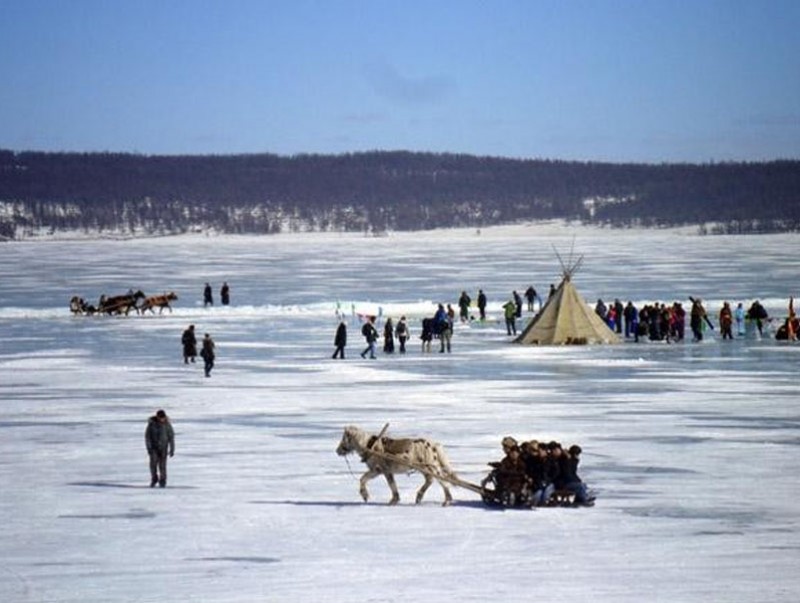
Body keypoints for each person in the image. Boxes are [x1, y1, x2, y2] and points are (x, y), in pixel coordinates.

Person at [145, 409, 175, 488]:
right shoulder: (151, 424)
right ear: (157, 417)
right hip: (154, 448)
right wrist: (149, 448)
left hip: (163, 448)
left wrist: (172, 449)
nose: (162, 419)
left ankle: (163, 480)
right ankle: (154, 478)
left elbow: (171, 437)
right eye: (160, 417)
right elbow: (147, 437)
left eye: (163, 417)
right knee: (153, 465)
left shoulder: (167, 425)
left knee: (162, 466)